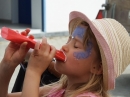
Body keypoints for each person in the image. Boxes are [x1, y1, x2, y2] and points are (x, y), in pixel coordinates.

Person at [0, 11, 130, 97]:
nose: (64, 47)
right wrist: (8, 65)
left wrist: (34, 71)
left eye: (76, 45)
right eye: (69, 39)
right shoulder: (58, 90)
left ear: (98, 67)